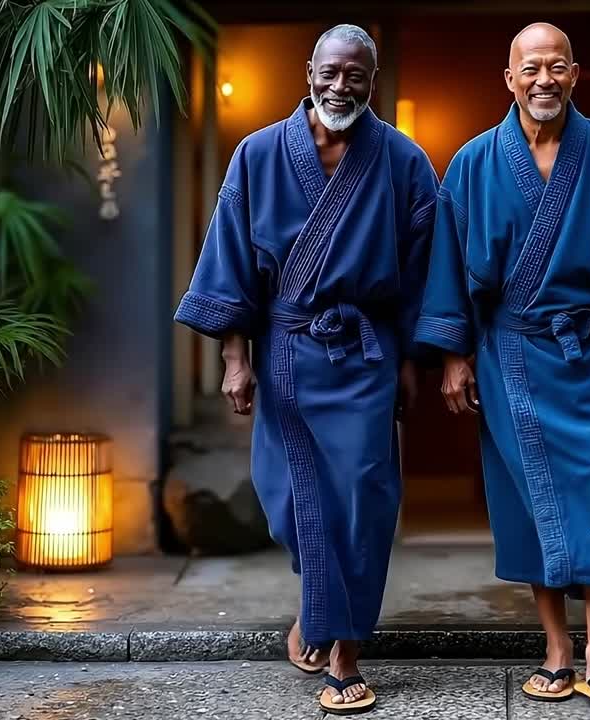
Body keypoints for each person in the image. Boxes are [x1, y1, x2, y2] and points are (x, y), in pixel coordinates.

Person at [414, 22, 590, 711]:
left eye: (557, 67)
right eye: (530, 69)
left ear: (575, 74)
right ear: (508, 80)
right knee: (525, 501)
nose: (544, 80)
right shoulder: (475, 162)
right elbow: (449, 265)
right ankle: (556, 649)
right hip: (509, 351)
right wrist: (454, 355)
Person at [174, 23, 436, 714]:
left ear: (371, 81)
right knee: (291, 498)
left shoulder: (405, 161)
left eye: (356, 74)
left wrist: (411, 361)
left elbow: (419, 274)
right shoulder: (258, 154)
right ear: (309, 72)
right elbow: (230, 257)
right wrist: (235, 357)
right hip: (287, 347)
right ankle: (317, 609)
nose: (341, 85)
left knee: (363, 502)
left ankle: (343, 652)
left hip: (365, 354)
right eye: (331, 71)